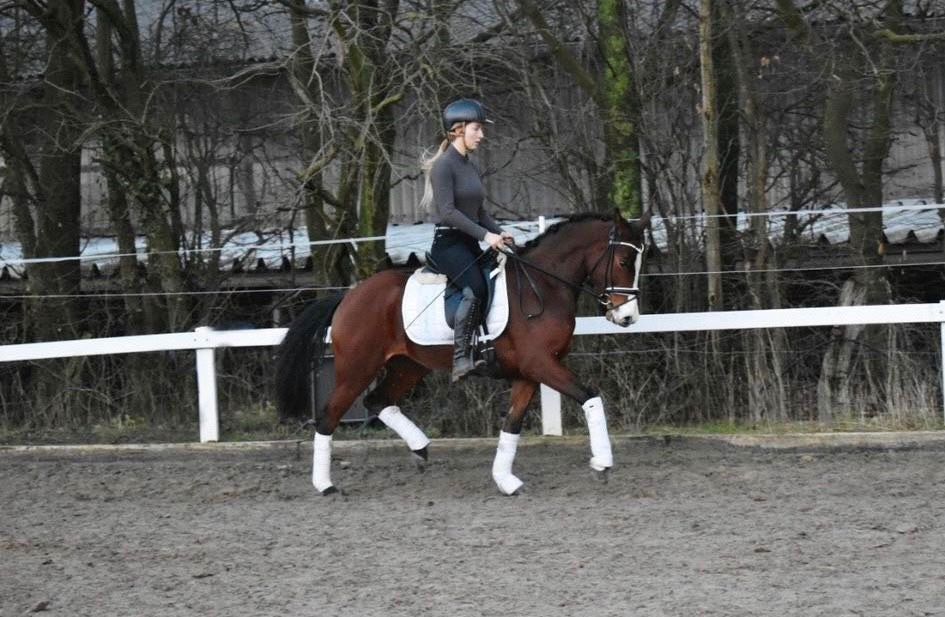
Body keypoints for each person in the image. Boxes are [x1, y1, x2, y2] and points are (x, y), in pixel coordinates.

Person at [419, 98, 514, 382]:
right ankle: (461, 359)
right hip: (449, 244)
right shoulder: (443, 167)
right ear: (458, 129)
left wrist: (500, 232)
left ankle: (488, 347)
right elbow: (448, 212)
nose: (482, 135)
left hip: (471, 241)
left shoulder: (469, 165)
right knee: (475, 286)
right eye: (477, 129)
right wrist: (487, 236)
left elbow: (478, 210)